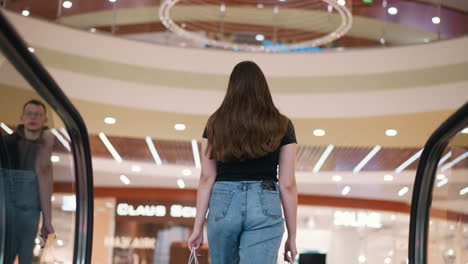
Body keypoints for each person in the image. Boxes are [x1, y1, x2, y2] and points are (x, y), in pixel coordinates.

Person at [188, 61, 298, 264]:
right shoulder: (282, 124)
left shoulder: (215, 123)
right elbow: (287, 185)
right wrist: (292, 236)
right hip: (265, 199)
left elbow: (206, 177)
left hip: (223, 203)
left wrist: (197, 228)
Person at [2, 99, 55, 264]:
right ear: (22, 117)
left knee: (25, 256)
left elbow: (45, 184)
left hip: (30, 214)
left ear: (44, 119)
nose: (33, 118)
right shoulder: (6, 144)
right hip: (5, 213)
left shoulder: (46, 143)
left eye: (38, 114)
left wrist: (47, 219)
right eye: (29, 114)